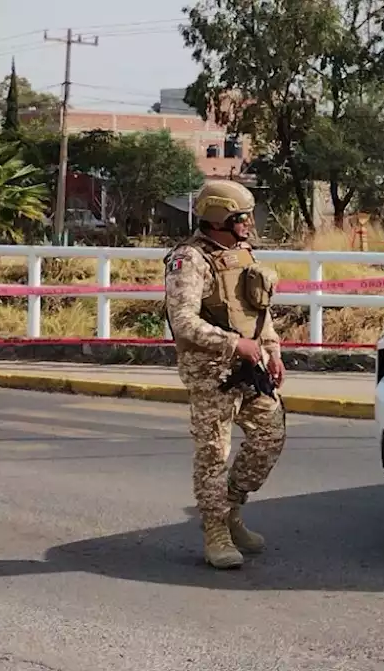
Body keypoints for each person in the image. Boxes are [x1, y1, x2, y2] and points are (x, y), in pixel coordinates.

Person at [163, 179, 287, 570]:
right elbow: (182, 320)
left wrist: (272, 349)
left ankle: (231, 507)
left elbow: (257, 311)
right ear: (220, 218)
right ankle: (215, 530)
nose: (249, 223)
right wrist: (234, 344)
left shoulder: (243, 254)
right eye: (241, 218)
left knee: (271, 435)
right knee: (214, 453)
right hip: (210, 373)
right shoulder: (189, 260)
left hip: (250, 367)